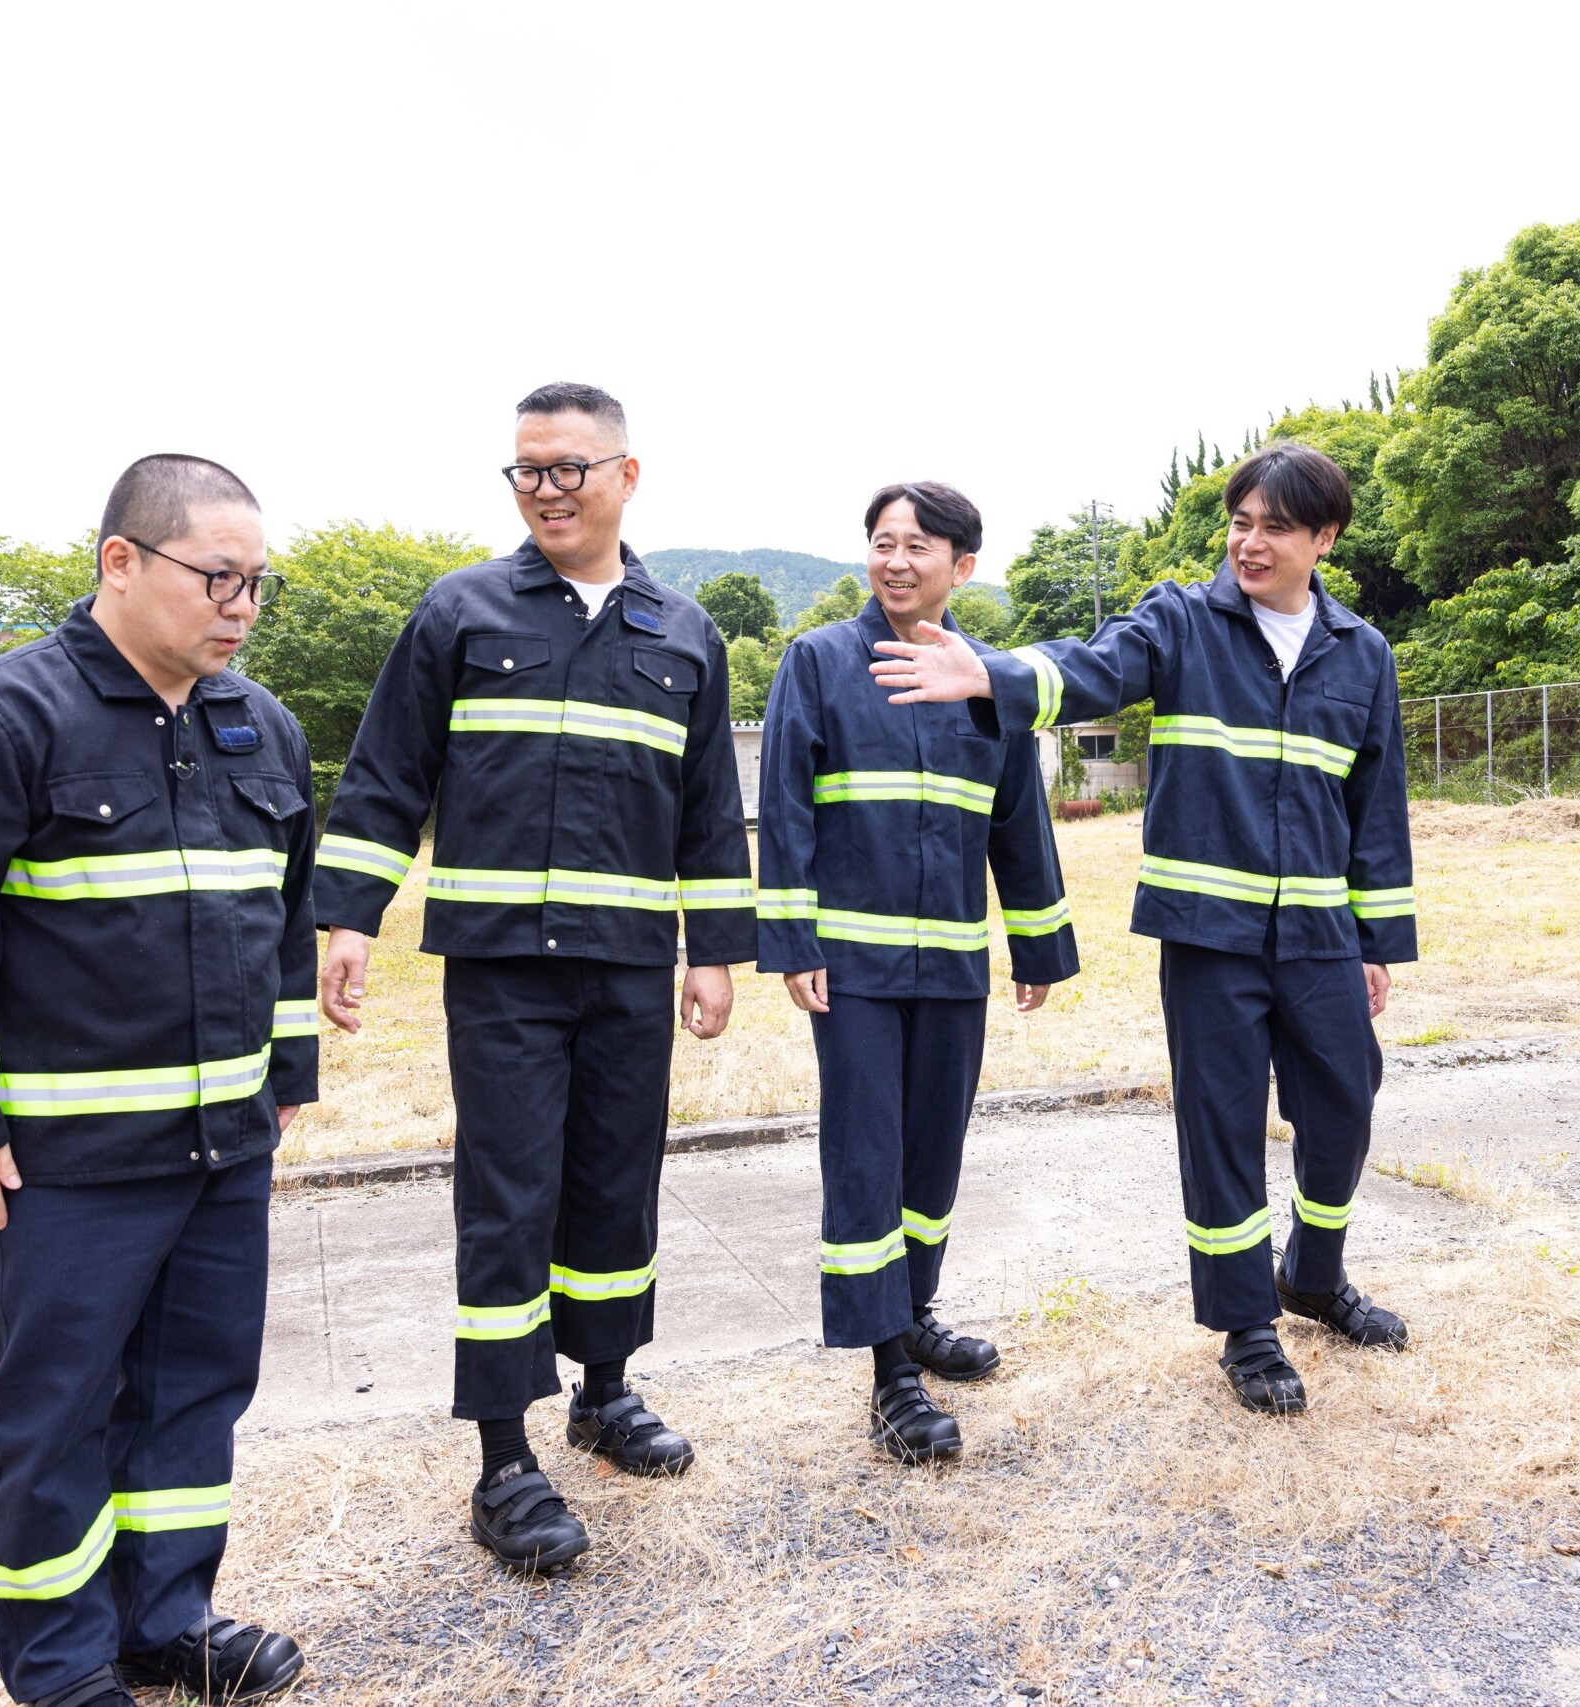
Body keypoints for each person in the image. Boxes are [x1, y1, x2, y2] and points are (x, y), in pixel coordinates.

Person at [0, 456, 315, 1707]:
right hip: (60, 1166)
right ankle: (62, 1670)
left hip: (222, 1151)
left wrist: (285, 1074)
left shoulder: (257, 727)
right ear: (120, 561)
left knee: (192, 1398)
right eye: (215, 577)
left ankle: (164, 1620)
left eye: (256, 585)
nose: (239, 606)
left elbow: (284, 919)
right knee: (55, 1416)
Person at [871, 442, 1417, 1415]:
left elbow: (1376, 809)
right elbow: (1089, 669)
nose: (1249, 543)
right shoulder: (1182, 619)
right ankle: (1246, 1327)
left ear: (1323, 539)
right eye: (1239, 522)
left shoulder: (1360, 655)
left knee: (1344, 1105)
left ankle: (1314, 1274)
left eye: (1275, 527)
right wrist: (990, 675)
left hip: (1321, 935)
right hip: (1208, 931)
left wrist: (1378, 940)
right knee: (1221, 1127)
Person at [314, 383, 753, 1572]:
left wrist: (713, 949)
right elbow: (385, 776)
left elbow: (712, 811)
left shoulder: (684, 634)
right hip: (501, 970)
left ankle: (604, 1394)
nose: (548, 488)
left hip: (625, 970)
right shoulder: (459, 612)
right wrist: (348, 916)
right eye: (527, 471)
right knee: (508, 1202)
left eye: (569, 467)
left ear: (627, 474)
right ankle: (504, 1458)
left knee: (615, 1188)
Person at [757, 482, 1078, 1463]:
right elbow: (784, 809)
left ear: (961, 566)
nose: (896, 561)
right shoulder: (817, 663)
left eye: (919, 547)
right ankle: (890, 1370)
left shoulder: (988, 681)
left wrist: (1037, 942)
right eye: (882, 543)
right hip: (852, 971)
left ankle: (916, 1310)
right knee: (869, 1156)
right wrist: (793, 942)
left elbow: (1016, 819)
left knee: (932, 1154)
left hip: (949, 963)